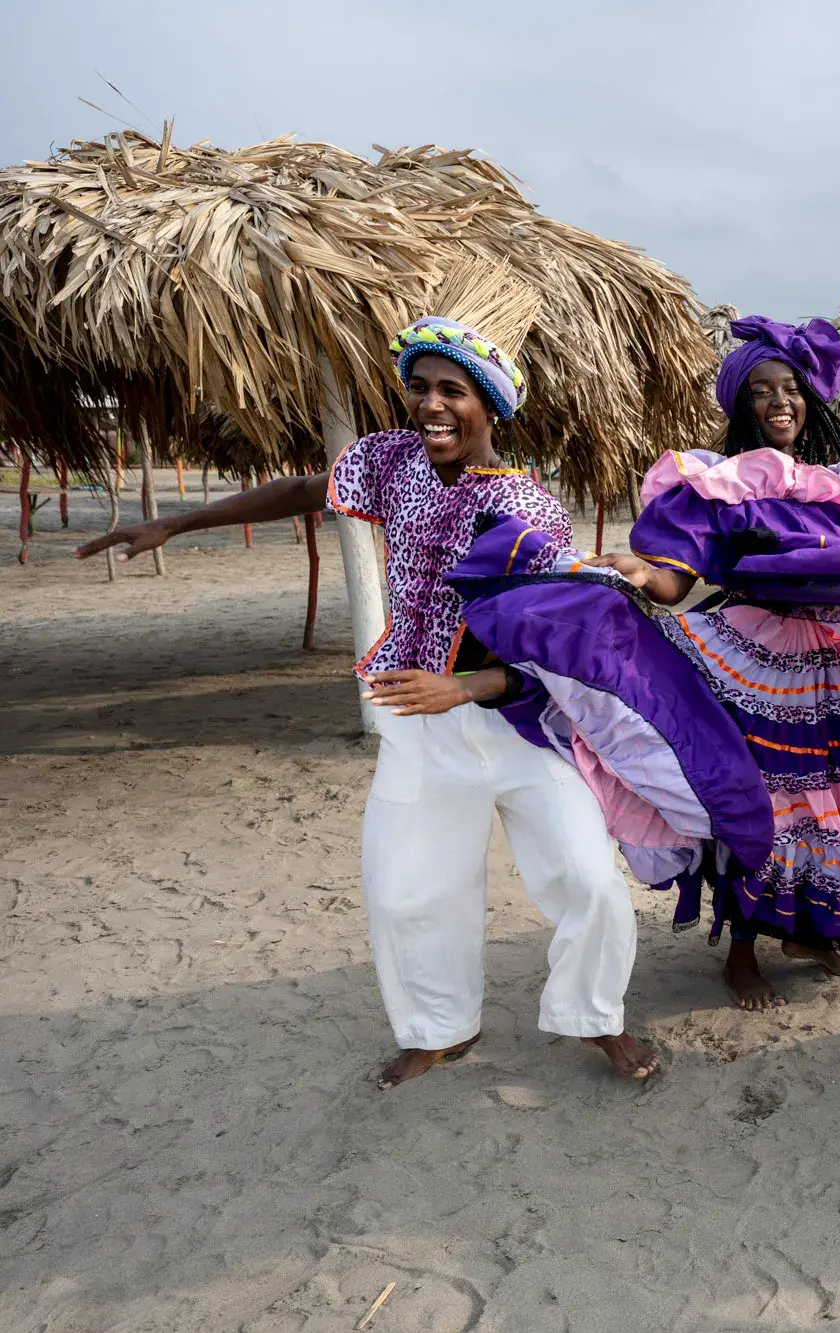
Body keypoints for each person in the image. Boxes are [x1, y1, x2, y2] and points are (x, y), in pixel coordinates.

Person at [78, 316, 659, 1090]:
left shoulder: (529, 510)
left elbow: (550, 657)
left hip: (518, 727)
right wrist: (177, 521)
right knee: (405, 884)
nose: (430, 405)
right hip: (417, 721)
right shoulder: (391, 463)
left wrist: (463, 685)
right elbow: (300, 489)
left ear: (489, 404)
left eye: (452, 390)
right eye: (418, 388)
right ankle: (440, 1027)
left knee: (586, 877)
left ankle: (598, 1018)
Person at [451, 316, 840, 1010]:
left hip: (839, 664)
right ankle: (739, 953)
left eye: (791, 388)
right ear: (742, 406)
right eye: (762, 390)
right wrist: (644, 571)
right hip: (754, 658)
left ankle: (808, 932)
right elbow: (677, 575)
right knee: (760, 806)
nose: (780, 401)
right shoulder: (717, 482)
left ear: (811, 402)